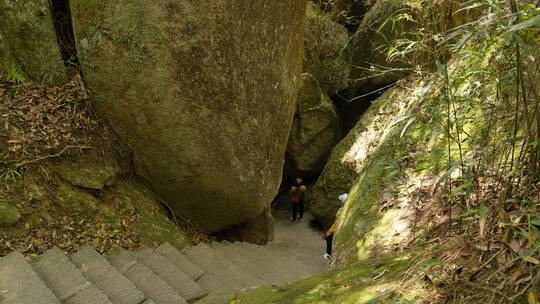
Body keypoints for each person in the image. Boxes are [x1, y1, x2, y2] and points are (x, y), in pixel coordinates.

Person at [323, 193, 348, 260]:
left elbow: (336, 222)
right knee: (329, 239)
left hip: (336, 229)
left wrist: (330, 231)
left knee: (329, 238)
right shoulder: (342, 209)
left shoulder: (341, 211)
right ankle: (329, 254)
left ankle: (328, 254)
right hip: (337, 228)